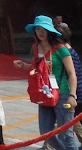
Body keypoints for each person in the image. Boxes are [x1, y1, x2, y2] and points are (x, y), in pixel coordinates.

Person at [14, 15, 77, 150]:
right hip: (44, 93)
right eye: (38, 29)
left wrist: (72, 95)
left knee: (66, 135)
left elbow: (72, 74)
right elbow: (37, 68)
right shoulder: (35, 49)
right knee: (46, 133)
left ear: (50, 31)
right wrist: (24, 65)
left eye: (44, 29)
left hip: (63, 93)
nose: (41, 32)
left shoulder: (61, 49)